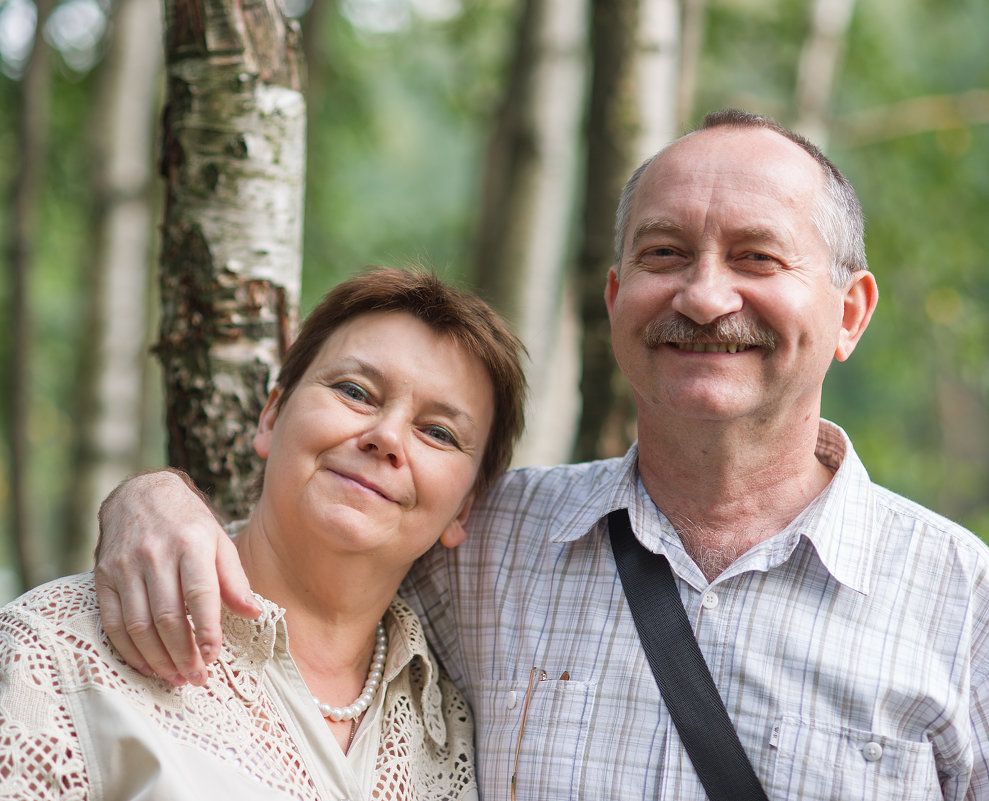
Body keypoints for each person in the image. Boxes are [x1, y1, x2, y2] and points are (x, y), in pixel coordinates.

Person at [92, 110, 989, 799]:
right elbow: (298, 565)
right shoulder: (485, 542)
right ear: (615, 298)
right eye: (664, 252)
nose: (706, 295)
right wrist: (152, 499)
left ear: (850, 313)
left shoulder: (961, 604)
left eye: (757, 256)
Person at [0, 267, 528, 800]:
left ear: (465, 508)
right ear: (271, 417)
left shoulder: (457, 734)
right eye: (356, 391)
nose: (387, 436)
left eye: (438, 432)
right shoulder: (61, 650)